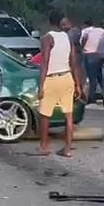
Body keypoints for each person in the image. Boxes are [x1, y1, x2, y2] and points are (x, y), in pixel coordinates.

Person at [38, 10, 82, 157]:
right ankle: (68, 149)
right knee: (68, 116)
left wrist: (41, 85)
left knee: (45, 115)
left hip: (52, 79)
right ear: (61, 21)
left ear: (49, 21)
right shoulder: (68, 38)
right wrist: (78, 84)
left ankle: (44, 146)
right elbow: (74, 63)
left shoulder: (47, 38)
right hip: (67, 77)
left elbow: (44, 62)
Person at [80, 18, 104, 104]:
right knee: (100, 76)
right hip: (99, 54)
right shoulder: (101, 30)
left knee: (92, 78)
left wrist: (82, 48)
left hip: (89, 54)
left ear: (85, 25)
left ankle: (91, 98)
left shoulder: (85, 31)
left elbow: (83, 41)